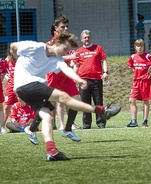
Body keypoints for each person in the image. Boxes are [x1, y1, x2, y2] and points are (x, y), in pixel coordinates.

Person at [10, 32, 121, 161]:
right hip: (26, 83)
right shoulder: (37, 47)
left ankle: (52, 152)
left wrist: (78, 79)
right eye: (65, 49)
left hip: (25, 88)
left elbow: (66, 69)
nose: (65, 52)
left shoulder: (56, 59)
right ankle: (101, 111)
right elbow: (13, 46)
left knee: (47, 116)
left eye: (68, 50)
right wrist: (15, 58)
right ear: (58, 43)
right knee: (63, 97)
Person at [73, 29, 109, 129]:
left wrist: (105, 72)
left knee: (98, 102)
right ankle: (87, 124)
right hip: (83, 81)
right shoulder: (78, 51)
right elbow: (76, 66)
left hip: (96, 79)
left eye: (88, 37)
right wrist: (73, 78)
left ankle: (101, 123)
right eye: (85, 37)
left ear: (91, 37)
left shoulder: (98, 48)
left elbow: (104, 61)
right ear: (81, 39)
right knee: (85, 103)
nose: (87, 39)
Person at [126, 39, 151, 128]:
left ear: (144, 47)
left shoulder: (148, 56)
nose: (140, 48)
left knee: (145, 100)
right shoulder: (133, 57)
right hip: (136, 81)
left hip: (145, 81)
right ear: (135, 47)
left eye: (141, 46)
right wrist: (135, 71)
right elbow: (131, 65)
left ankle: (145, 121)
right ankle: (134, 121)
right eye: (138, 46)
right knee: (131, 100)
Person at [2, 49, 18, 133]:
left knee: (23, 105)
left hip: (20, 86)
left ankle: (27, 125)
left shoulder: (20, 60)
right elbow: (3, 71)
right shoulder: (6, 61)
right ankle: (2, 126)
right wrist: (5, 76)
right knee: (6, 107)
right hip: (10, 87)